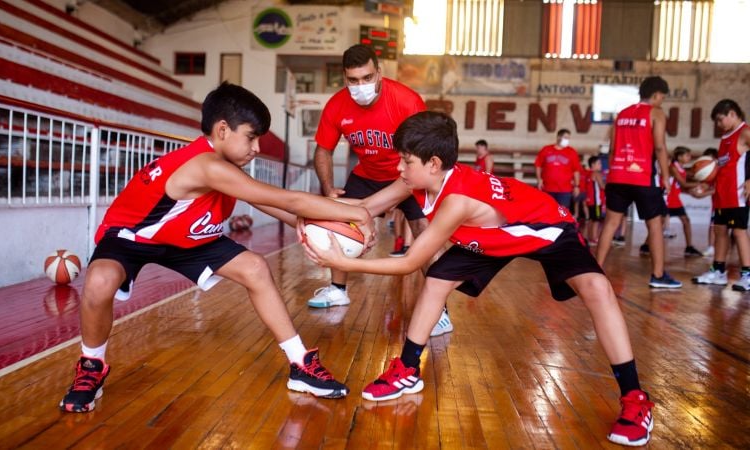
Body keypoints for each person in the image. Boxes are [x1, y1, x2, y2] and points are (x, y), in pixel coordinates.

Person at [303, 111, 655, 447]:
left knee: (598, 289)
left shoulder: (457, 200)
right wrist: (309, 213)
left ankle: (635, 397)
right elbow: (366, 207)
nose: (399, 167)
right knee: (437, 280)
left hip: (544, 227)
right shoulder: (418, 178)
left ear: (434, 164)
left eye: (405, 161)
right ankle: (408, 368)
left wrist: (339, 261)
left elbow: (409, 262)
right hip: (487, 237)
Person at [58, 83, 377, 413]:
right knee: (99, 281)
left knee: (254, 267)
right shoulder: (206, 165)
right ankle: (91, 366)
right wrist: (358, 213)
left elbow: (273, 204)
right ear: (223, 130)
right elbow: (287, 198)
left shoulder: (224, 164)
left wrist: (306, 222)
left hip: (187, 237)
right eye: (251, 137)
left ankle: (300, 365)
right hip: (134, 236)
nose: (256, 148)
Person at [309, 45, 453, 336]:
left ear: (379, 73)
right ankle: (338, 290)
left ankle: (441, 311)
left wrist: (387, 199)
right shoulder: (337, 105)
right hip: (367, 173)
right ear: (344, 78)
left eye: (367, 77)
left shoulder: (406, 100)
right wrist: (328, 190)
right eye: (353, 80)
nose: (361, 86)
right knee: (338, 220)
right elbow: (323, 151)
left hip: (408, 174)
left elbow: (422, 157)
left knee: (426, 234)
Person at [594, 76, 682, 288]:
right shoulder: (656, 112)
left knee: (610, 224)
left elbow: (613, 148)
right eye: (662, 97)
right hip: (643, 176)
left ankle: (595, 270)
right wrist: (665, 176)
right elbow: (660, 147)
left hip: (617, 176)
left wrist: (614, 172)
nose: (662, 101)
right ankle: (658, 275)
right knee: (654, 225)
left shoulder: (622, 114)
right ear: (656, 94)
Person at [692, 100, 750, 291]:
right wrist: (707, 183)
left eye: (720, 119)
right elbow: (723, 168)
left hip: (737, 194)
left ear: (732, 113)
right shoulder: (726, 136)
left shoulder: (744, 132)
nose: (718, 124)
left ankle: (747, 274)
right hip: (722, 194)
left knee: (739, 232)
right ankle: (718, 271)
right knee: (720, 232)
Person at [638, 146, 705, 257]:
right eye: (687, 155)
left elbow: (686, 180)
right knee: (660, 223)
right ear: (679, 157)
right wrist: (700, 184)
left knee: (684, 221)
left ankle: (689, 247)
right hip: (667, 198)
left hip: (674, 198)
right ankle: (646, 245)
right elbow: (683, 183)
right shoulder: (673, 167)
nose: (689, 157)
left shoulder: (681, 168)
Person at [534, 129, 582, 209]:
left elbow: (576, 170)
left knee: (562, 212)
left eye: (568, 138)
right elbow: (538, 165)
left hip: (565, 189)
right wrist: (539, 179)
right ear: (559, 137)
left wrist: (577, 186)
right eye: (565, 138)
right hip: (547, 188)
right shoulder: (546, 149)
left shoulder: (571, 152)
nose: (567, 140)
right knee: (547, 210)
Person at [585, 155, 606, 245]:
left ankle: (589, 237)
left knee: (591, 219)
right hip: (596, 201)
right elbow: (602, 186)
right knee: (596, 220)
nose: (601, 165)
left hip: (590, 201)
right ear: (593, 165)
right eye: (599, 163)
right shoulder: (597, 174)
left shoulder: (588, 173)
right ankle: (593, 238)